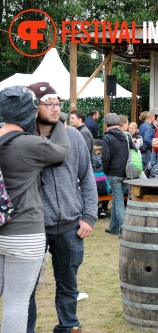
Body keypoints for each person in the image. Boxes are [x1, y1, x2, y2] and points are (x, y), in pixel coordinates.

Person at [26, 81, 97, 333]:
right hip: (31, 227)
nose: (55, 109)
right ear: (34, 107)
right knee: (26, 288)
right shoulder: (22, 139)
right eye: (49, 104)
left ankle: (68, 326)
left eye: (58, 104)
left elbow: (87, 177)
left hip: (69, 225)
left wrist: (89, 216)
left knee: (68, 283)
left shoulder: (74, 137)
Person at [0, 85, 70, 333]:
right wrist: (60, 118)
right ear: (30, 114)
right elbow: (63, 151)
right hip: (25, 232)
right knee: (16, 301)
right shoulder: (29, 144)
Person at [102, 112, 134, 235]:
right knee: (116, 200)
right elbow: (134, 151)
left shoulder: (107, 137)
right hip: (126, 172)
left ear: (106, 124)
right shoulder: (126, 136)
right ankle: (113, 228)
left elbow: (105, 158)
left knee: (119, 201)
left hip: (114, 174)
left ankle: (124, 229)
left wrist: (106, 171)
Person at [93, 139, 110, 219]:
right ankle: (103, 208)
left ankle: (95, 208)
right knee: (107, 186)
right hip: (104, 190)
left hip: (92, 190)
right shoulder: (103, 161)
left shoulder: (88, 160)